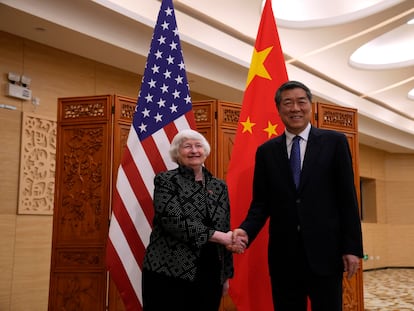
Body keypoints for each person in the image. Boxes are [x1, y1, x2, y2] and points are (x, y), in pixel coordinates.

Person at [233, 80, 363, 311]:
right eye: (288, 103)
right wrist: (246, 230)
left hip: (326, 254)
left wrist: (352, 248)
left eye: (301, 102)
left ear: (310, 105)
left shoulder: (335, 142)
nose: (295, 108)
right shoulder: (266, 152)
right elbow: (261, 204)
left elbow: (348, 199)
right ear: (279, 109)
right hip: (284, 257)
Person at [142, 129, 242, 311]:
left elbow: (224, 226)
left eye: (198, 146)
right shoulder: (166, 180)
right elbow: (173, 221)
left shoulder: (218, 185)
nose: (194, 150)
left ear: (205, 151)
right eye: (187, 146)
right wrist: (220, 237)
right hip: (169, 268)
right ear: (177, 153)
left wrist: (225, 275)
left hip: (211, 270)